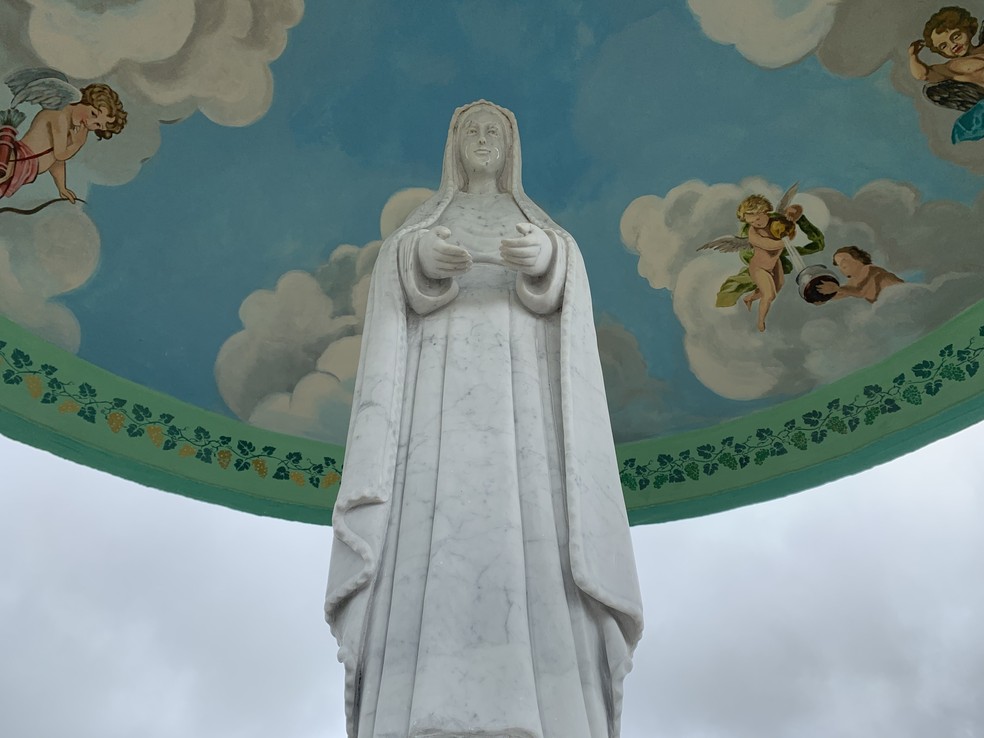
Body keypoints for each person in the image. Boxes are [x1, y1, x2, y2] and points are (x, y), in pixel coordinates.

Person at [325, 101, 643, 738]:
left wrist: (547, 260)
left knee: (537, 534)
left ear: (510, 148)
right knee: (425, 531)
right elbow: (395, 282)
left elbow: (567, 282)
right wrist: (417, 259)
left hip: (527, 404)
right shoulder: (424, 224)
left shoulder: (540, 226)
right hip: (433, 405)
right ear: (453, 145)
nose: (481, 139)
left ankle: (549, 707)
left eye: (493, 131)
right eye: (470, 130)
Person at [713, 194, 824, 332]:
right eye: (751, 222)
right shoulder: (753, 233)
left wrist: (792, 213)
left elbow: (798, 210)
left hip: (775, 264)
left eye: (757, 219)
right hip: (759, 268)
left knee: (779, 285)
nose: (756, 223)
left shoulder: (777, 220)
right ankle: (761, 322)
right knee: (769, 295)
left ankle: (749, 298)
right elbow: (769, 245)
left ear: (765, 211)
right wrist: (787, 236)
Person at [0, 82, 126, 201]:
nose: (90, 122)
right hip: (18, 159)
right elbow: (60, 154)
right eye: (93, 114)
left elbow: (57, 161)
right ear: (84, 101)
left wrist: (62, 188)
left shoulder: (71, 127)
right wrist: (78, 143)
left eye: (98, 125)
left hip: (24, 168)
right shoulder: (60, 115)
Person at [817, 246, 903, 303]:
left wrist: (836, 288)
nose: (842, 265)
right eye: (838, 264)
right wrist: (821, 297)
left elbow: (860, 291)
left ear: (858, 259)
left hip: (903, 293)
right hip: (894, 302)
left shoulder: (869, 269)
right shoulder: (853, 282)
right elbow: (840, 293)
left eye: (844, 260)